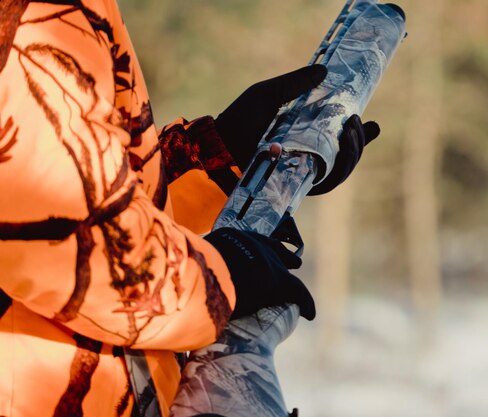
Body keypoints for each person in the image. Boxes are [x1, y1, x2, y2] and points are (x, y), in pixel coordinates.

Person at [0, 1, 380, 416]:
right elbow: (68, 243)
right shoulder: (39, 13)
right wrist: (224, 276)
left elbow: (84, 196)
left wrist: (216, 158)